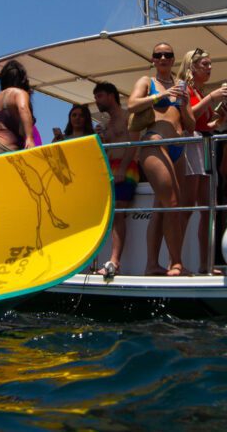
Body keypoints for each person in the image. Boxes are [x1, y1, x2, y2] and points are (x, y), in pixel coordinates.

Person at [127, 42, 195, 276]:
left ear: (173, 59)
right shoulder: (147, 82)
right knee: (172, 205)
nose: (163, 57)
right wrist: (162, 96)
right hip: (154, 141)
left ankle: (152, 265)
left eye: (168, 54)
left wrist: (184, 104)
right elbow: (131, 104)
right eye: (159, 54)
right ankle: (175, 263)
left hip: (178, 147)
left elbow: (191, 124)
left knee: (163, 208)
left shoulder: (181, 86)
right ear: (153, 60)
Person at [176, 48, 227, 273]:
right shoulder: (185, 88)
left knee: (209, 208)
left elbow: (206, 125)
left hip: (204, 143)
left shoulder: (199, 91)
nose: (209, 68)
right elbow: (187, 119)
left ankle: (205, 263)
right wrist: (211, 98)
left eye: (210, 64)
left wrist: (220, 117)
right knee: (188, 207)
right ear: (192, 66)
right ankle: (176, 261)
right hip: (191, 144)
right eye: (205, 64)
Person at [93, 82, 138, 278]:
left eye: (100, 96)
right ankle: (102, 259)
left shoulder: (129, 116)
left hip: (126, 169)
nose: (97, 101)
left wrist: (122, 168)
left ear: (112, 96)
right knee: (110, 214)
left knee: (118, 211)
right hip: (111, 170)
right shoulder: (107, 124)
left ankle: (115, 261)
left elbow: (134, 143)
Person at [0, 60, 36, 152]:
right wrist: (29, 138)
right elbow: (23, 108)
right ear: (23, 78)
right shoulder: (19, 93)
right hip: (7, 149)